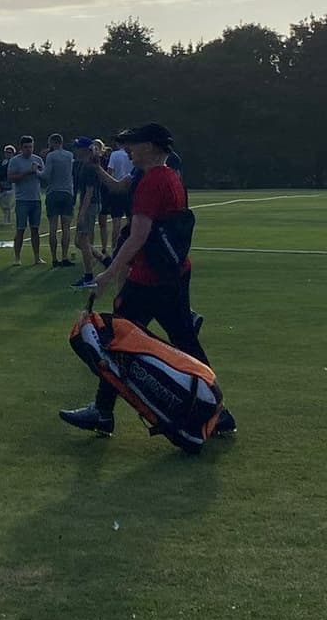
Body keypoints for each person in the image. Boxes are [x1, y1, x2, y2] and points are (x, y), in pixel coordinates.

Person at [60, 123, 235, 438]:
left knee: (116, 339)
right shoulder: (170, 177)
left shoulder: (151, 182)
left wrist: (109, 274)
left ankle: (103, 412)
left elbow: (139, 235)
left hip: (148, 278)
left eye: (135, 144)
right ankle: (218, 412)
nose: (129, 149)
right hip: (174, 273)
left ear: (151, 147)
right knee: (185, 340)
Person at [6, 135, 46, 267]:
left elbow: (44, 176)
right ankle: (17, 257)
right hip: (22, 199)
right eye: (26, 147)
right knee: (20, 229)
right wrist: (27, 172)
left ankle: (37, 257)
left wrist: (38, 172)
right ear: (21, 148)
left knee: (35, 229)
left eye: (31, 147)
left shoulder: (38, 159)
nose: (29, 149)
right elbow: (11, 178)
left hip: (36, 199)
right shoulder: (15, 161)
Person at [71, 138, 106, 290]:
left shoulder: (90, 167)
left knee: (83, 241)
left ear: (85, 149)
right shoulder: (83, 164)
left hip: (90, 205)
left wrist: (82, 213)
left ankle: (88, 277)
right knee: (79, 242)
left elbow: (89, 192)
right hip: (89, 205)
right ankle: (106, 261)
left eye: (78, 147)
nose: (75, 150)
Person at [43, 132, 77, 267]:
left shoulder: (51, 156)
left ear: (53, 142)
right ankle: (64, 256)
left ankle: (54, 258)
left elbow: (46, 175)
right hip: (67, 192)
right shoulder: (70, 155)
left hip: (53, 192)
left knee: (53, 228)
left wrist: (36, 171)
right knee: (66, 228)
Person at [0, 143, 17, 228]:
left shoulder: (14, 162)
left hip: (10, 185)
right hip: (2, 185)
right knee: (1, 202)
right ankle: (6, 218)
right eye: (6, 152)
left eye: (9, 152)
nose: (8, 154)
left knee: (8, 203)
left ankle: (7, 220)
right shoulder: (3, 162)